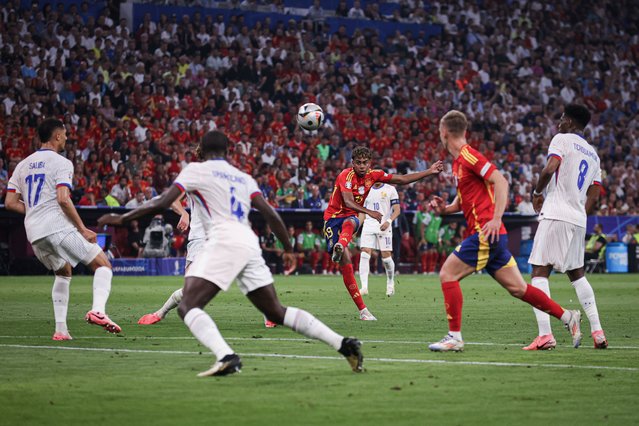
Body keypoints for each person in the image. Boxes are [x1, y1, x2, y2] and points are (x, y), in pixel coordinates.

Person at [98, 130, 364, 376]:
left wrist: (122, 219)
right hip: (248, 242)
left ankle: (226, 356)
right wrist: (288, 246)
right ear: (228, 151)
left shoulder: (196, 171)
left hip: (223, 240)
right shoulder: (242, 177)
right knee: (275, 311)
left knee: (189, 305)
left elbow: (163, 202)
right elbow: (270, 213)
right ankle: (344, 344)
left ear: (202, 149)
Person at [427, 110, 582, 352]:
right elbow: (461, 203)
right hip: (493, 235)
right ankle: (567, 316)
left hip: (485, 233)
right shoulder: (460, 163)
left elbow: (501, 181)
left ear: (444, 132)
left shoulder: (469, 156)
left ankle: (454, 337)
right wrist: (443, 209)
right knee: (519, 289)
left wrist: (496, 218)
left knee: (447, 274)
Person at [5, 118, 121, 340]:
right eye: (65, 134)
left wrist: (34, 211)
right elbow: (63, 199)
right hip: (56, 225)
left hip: (34, 232)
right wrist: (82, 228)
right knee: (103, 265)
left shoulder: (22, 164)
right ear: (57, 136)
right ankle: (98, 310)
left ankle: (60, 330)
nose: (67, 138)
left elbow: (10, 202)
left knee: (64, 271)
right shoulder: (62, 163)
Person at [323, 145, 443, 320]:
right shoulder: (345, 176)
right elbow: (348, 202)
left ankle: (363, 310)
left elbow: (401, 179)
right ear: (352, 163)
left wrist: (429, 171)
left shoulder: (374, 175)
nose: (362, 166)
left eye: (365, 163)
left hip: (351, 218)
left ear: (370, 163)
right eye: (358, 163)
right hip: (332, 219)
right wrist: (370, 212)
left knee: (351, 224)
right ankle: (340, 246)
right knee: (347, 252)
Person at [527, 104, 608, 350]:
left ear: (571, 122)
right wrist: (580, 213)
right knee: (577, 274)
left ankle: (545, 335)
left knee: (539, 272)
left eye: (562, 118)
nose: (559, 122)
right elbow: (595, 192)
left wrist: (537, 192)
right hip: (577, 218)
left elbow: (550, 168)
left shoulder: (562, 139)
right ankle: (598, 331)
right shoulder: (594, 154)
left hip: (557, 212)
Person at [358, 182, 400, 297]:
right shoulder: (365, 190)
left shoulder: (391, 189)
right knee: (364, 252)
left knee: (386, 257)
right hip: (368, 224)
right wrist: (356, 228)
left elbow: (397, 210)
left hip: (384, 225)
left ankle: (390, 282)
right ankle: (364, 287)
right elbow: (362, 211)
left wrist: (389, 221)